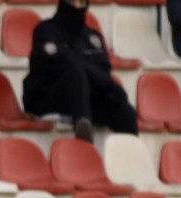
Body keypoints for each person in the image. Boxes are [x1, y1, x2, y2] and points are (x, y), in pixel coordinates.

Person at [22, 0, 138, 144]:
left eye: (81, 2)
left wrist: (109, 87)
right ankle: (83, 130)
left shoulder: (93, 37)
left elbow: (103, 71)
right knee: (75, 74)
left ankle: (130, 159)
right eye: (72, 2)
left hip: (86, 97)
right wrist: (101, 78)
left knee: (125, 112)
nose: (77, 7)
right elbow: (56, 65)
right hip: (49, 97)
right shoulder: (45, 31)